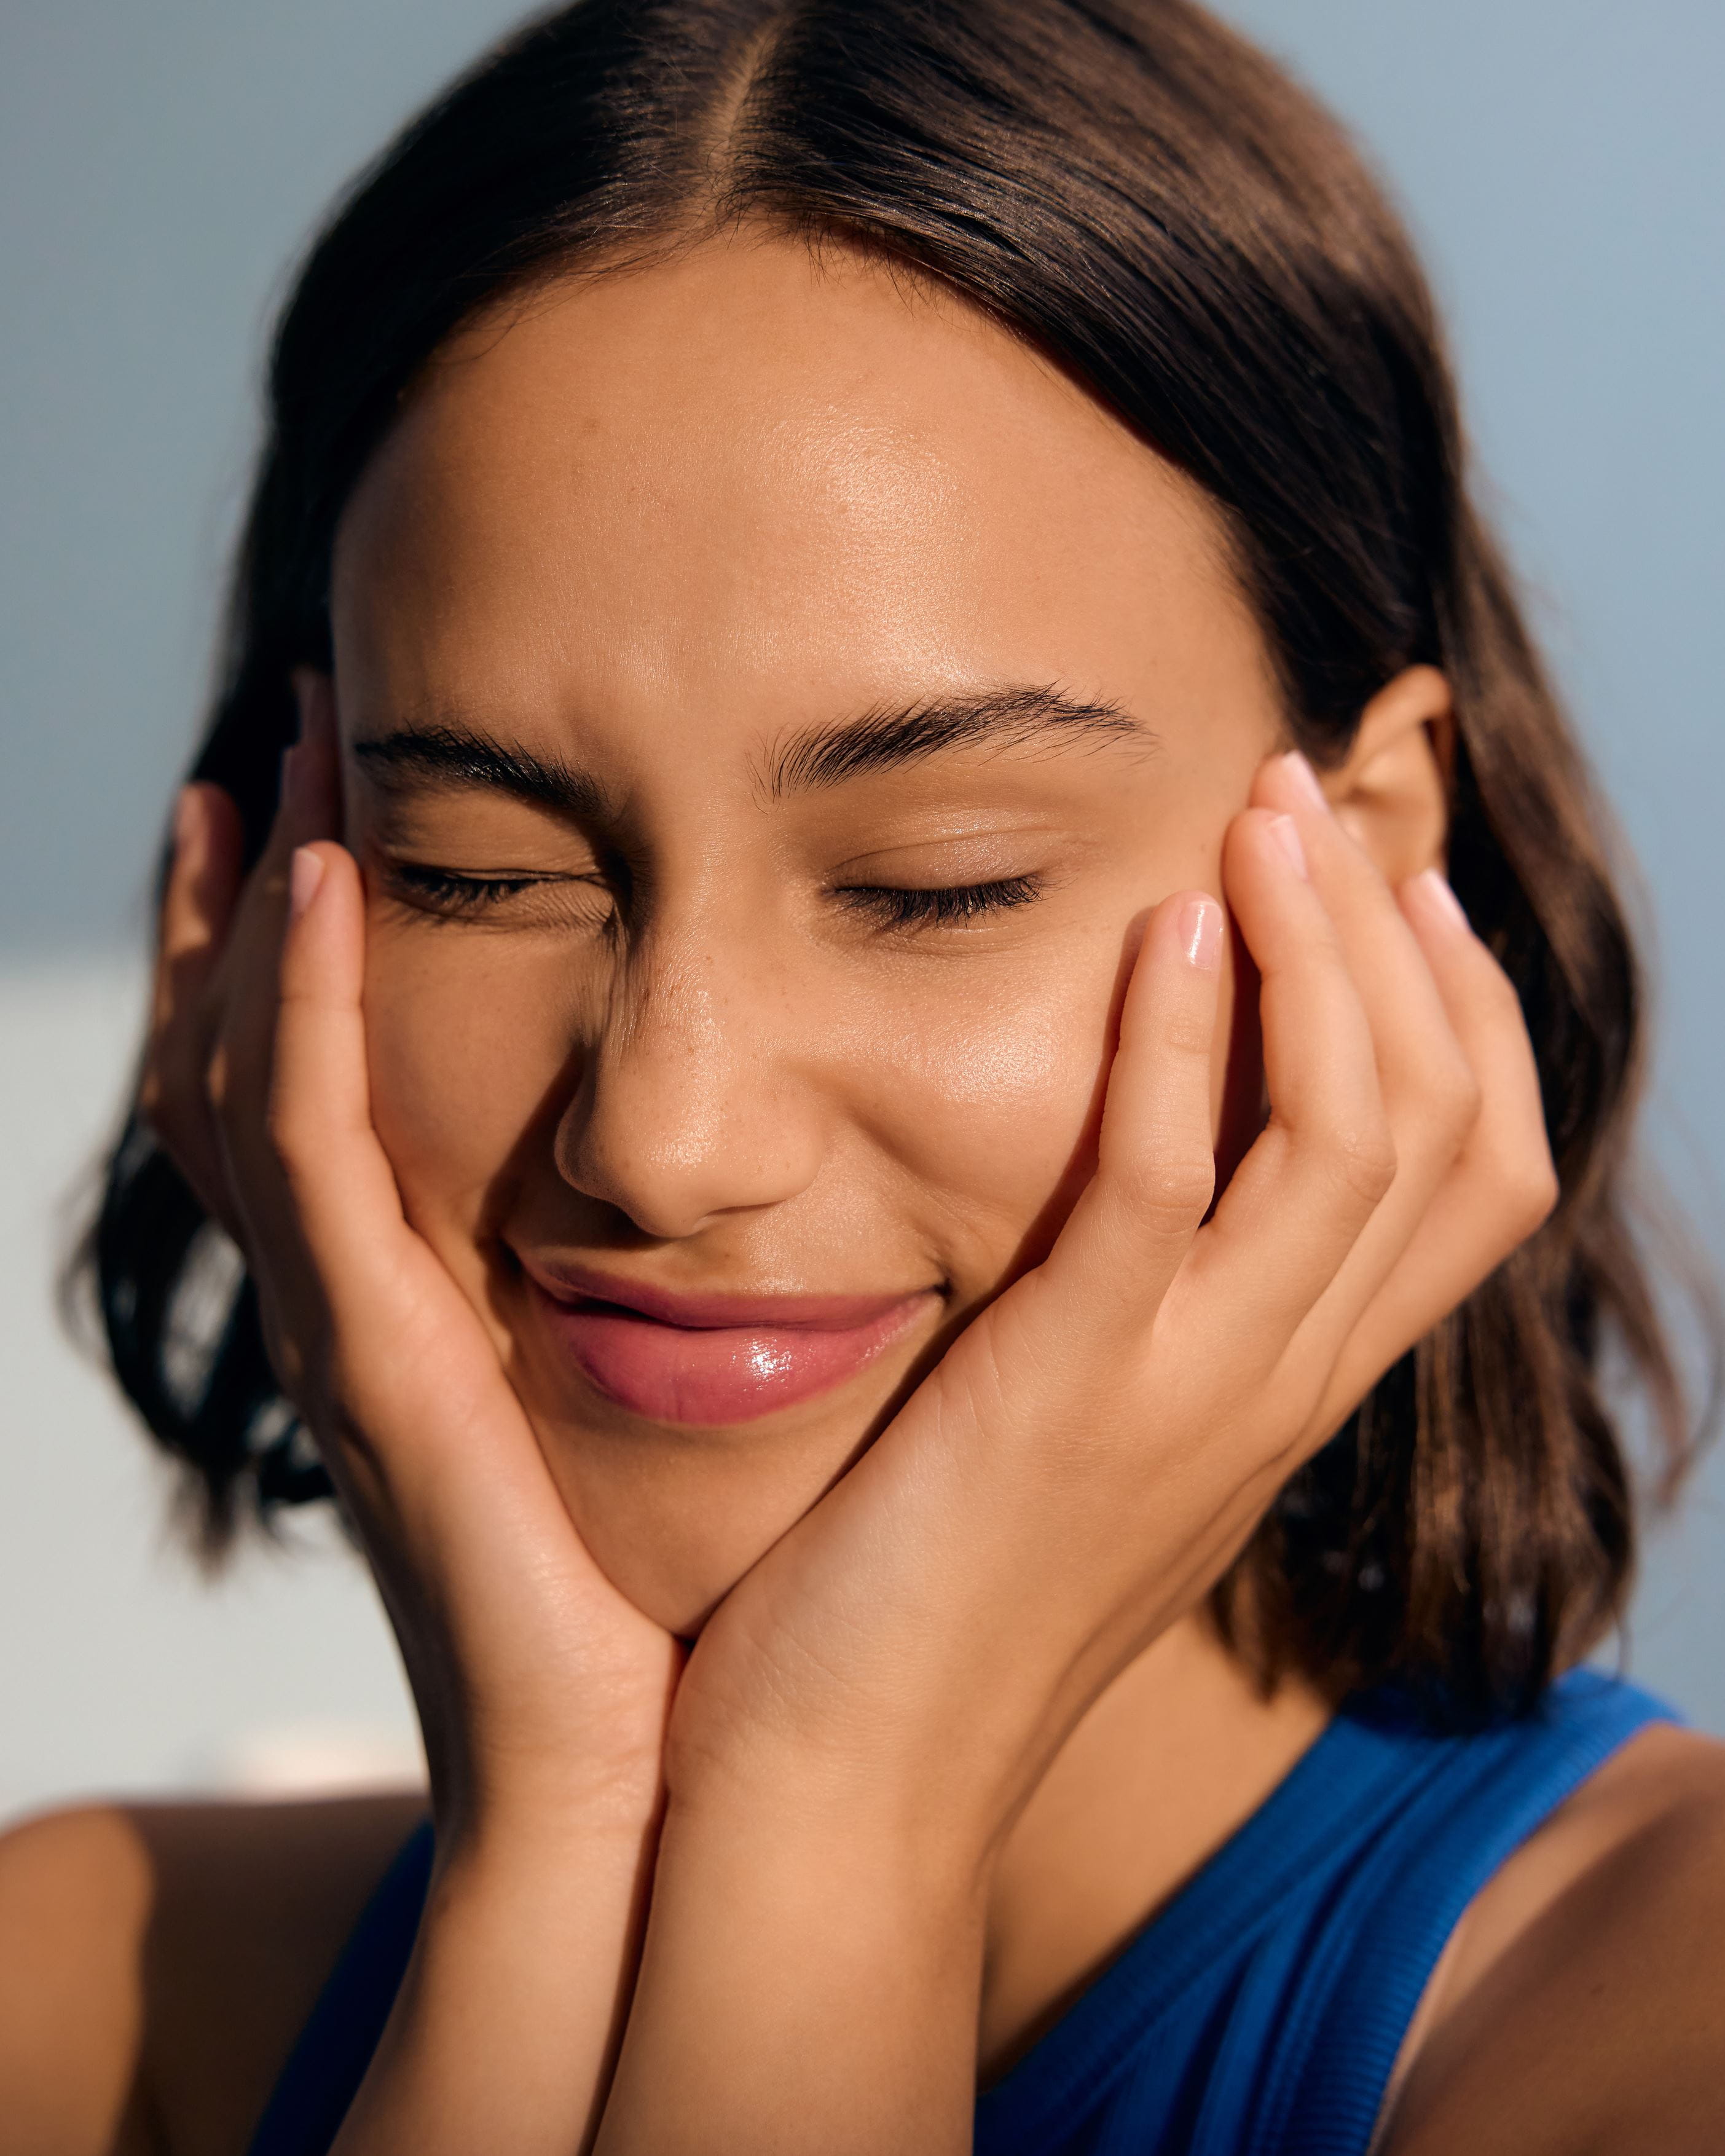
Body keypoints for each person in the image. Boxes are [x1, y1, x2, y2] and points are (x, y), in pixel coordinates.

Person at [2, 1, 1721, 2149]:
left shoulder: (1661, 2032)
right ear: (267, 892)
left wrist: (837, 1807)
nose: (663, 1129)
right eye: (477, 868)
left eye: (936, 882)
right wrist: (551, 1852)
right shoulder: (90, 2010)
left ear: (1368, 866)